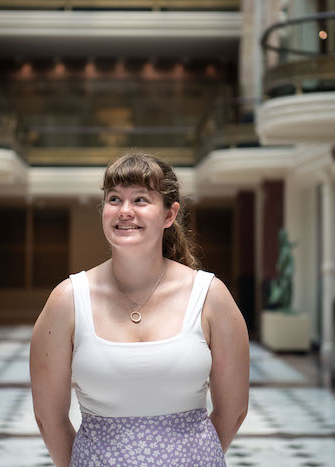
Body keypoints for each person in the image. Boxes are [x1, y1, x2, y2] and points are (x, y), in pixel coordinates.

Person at [30, 153, 249, 466]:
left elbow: (234, 409)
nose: (125, 211)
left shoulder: (210, 296)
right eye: (114, 199)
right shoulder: (67, 300)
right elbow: (48, 419)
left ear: (169, 215)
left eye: (141, 200)